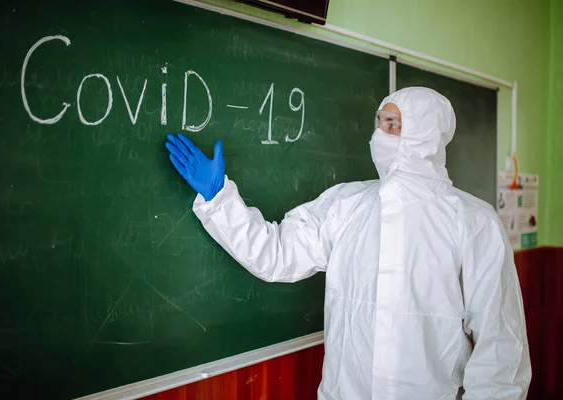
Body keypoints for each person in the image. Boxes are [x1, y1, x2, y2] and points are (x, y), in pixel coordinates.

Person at [165, 87, 531, 400]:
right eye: (379, 123)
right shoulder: (346, 205)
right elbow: (276, 255)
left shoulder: (473, 222)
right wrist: (219, 199)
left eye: (394, 125)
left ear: (426, 136)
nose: (380, 135)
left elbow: (499, 350)